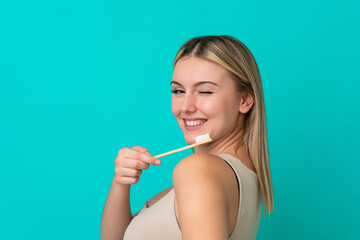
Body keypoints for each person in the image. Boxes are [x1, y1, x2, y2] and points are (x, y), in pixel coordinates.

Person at [100, 35, 274, 240]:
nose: (186, 107)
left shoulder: (198, 171)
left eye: (205, 91)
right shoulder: (235, 176)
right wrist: (122, 181)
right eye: (178, 91)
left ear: (244, 100)